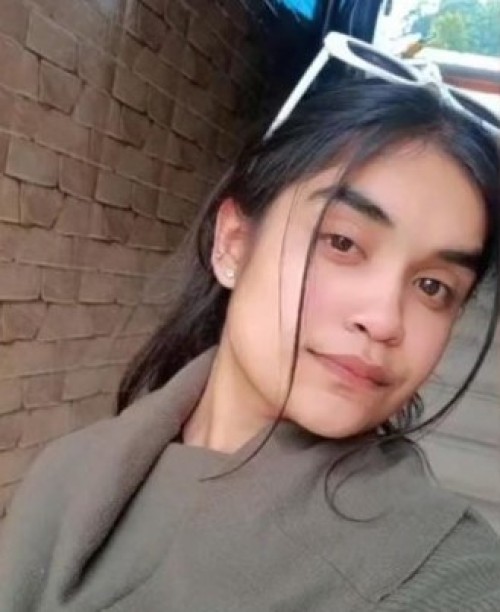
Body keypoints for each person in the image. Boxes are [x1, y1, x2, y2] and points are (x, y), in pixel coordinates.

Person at [1, 33, 500, 611]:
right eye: (341, 242)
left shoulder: (431, 570)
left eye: (434, 287)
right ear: (234, 243)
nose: (385, 319)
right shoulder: (73, 470)